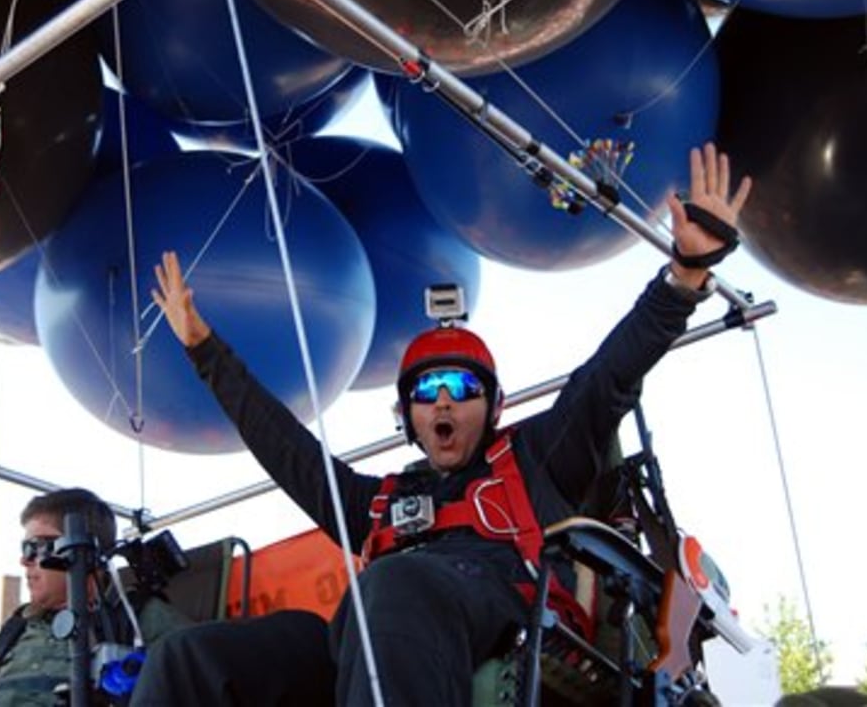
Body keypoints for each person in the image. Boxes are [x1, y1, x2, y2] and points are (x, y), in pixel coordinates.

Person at [133, 143, 752, 706]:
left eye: (461, 387)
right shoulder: (376, 502)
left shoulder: (537, 455)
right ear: (407, 417)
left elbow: (608, 377)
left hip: (501, 612)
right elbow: (283, 444)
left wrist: (684, 277)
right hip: (372, 638)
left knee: (396, 583)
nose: (444, 402)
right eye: (426, 392)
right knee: (187, 659)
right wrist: (204, 350)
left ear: (495, 404)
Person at [0, 487, 193, 707]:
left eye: (35, 547)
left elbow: (205, 679)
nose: (24, 561)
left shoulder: (136, 618)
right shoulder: (15, 629)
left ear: (85, 548)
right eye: (24, 548)